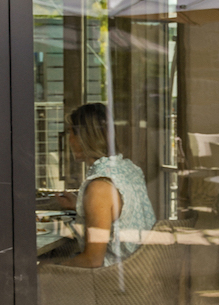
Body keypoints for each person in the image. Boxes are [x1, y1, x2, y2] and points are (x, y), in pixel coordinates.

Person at [56, 102, 155, 269]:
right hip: (143, 274)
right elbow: (122, 214)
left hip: (115, 284)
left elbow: (92, 260)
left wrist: (44, 269)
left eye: (70, 132)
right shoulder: (128, 169)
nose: (69, 140)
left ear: (83, 137)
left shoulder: (100, 186)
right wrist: (78, 206)